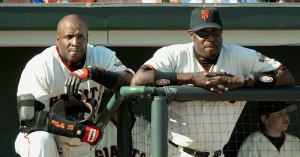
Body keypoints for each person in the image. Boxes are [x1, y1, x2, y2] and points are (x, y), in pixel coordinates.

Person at [130, 7, 295, 157]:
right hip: (177, 151)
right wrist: (192, 78)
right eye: (203, 33)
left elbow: (286, 75)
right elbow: (139, 79)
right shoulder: (174, 54)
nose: (210, 38)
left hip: (217, 153)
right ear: (191, 34)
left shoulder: (240, 56)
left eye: (215, 32)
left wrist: (242, 80)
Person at [14, 14, 146, 157]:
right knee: (41, 140)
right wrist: (76, 129)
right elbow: (29, 119)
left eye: (80, 37)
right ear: (57, 39)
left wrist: (94, 72)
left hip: (80, 140)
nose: (75, 42)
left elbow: (131, 82)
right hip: (48, 134)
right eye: (69, 37)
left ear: (87, 38)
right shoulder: (40, 65)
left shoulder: (100, 56)